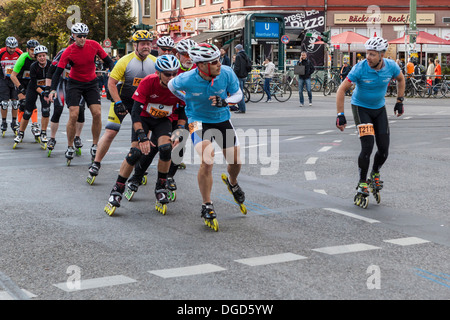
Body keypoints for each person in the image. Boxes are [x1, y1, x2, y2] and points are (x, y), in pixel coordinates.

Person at [168, 43, 246, 231]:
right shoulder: (186, 78)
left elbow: (238, 94)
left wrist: (225, 101)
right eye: (213, 62)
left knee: (235, 161)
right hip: (197, 120)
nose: (219, 64)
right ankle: (207, 204)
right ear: (201, 65)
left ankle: (233, 183)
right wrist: (185, 99)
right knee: (207, 159)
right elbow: (171, 85)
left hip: (221, 119)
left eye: (218, 59)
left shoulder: (226, 73)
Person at [104, 55, 185, 216]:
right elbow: (135, 111)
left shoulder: (179, 86)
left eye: (174, 73)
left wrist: (179, 132)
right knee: (135, 153)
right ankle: (117, 188)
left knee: (166, 149)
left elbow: (183, 112)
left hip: (163, 120)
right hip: (144, 118)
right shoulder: (148, 81)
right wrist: (141, 136)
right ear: (158, 72)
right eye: (167, 74)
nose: (171, 77)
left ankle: (161, 186)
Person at [335, 36, 405, 209]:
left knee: (383, 149)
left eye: (372, 54)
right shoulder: (359, 69)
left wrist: (399, 100)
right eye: (367, 53)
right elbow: (341, 89)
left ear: (382, 55)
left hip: (379, 108)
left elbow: (401, 79)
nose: (368, 57)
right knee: (367, 146)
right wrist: (340, 114)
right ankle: (362, 182)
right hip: (361, 108)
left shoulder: (391, 66)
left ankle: (375, 173)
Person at [123, 38, 197, 200]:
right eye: (185, 54)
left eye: (191, 54)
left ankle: (169, 177)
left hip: (187, 113)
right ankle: (137, 176)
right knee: (157, 147)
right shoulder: (170, 67)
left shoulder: (196, 69)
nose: (188, 57)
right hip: (166, 114)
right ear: (178, 55)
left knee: (180, 145)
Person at [87, 30, 156, 184]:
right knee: (111, 132)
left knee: (141, 137)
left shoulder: (154, 62)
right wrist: (118, 103)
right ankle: (96, 163)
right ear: (135, 45)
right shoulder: (125, 61)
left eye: (149, 43)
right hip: (122, 100)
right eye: (143, 44)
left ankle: (138, 167)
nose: (146, 46)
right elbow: (111, 83)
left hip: (141, 104)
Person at [49, 23, 115, 165]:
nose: (82, 39)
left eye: (85, 36)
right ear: (73, 36)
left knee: (97, 113)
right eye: (79, 36)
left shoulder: (94, 45)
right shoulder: (68, 51)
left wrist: (113, 73)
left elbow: (109, 61)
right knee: (74, 114)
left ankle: (95, 145)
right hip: (74, 84)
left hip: (91, 83)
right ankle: (70, 146)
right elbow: (57, 72)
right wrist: (53, 89)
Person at [45, 35, 86, 156]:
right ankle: (52, 138)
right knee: (58, 109)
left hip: (78, 84)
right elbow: (51, 71)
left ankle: (77, 137)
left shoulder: (85, 52)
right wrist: (48, 89)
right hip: (64, 84)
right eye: (73, 42)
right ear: (70, 42)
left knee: (80, 110)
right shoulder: (63, 52)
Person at [13, 45, 51, 148]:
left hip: (46, 88)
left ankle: (43, 133)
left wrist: (49, 91)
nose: (42, 58)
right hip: (34, 88)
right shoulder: (33, 66)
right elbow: (34, 84)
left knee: (46, 110)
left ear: (46, 56)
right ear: (36, 57)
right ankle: (21, 133)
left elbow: (53, 79)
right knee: (28, 110)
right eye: (39, 56)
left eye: (43, 56)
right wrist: (42, 93)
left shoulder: (51, 65)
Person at [10, 39, 40, 138]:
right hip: (20, 81)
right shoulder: (23, 58)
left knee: (32, 102)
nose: (33, 52)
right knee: (23, 102)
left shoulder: (39, 58)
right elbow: (12, 76)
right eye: (31, 50)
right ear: (27, 50)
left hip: (31, 82)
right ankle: (19, 124)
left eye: (35, 50)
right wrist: (20, 87)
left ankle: (35, 124)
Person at [0, 37, 22, 136]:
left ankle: (14, 121)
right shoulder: (1, 52)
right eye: (10, 48)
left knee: (15, 102)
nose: (12, 50)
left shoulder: (19, 53)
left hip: (14, 79)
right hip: (3, 79)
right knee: (4, 103)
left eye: (14, 48)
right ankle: (4, 122)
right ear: (6, 46)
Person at [233, 44, 251, 114]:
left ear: (238, 49)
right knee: (241, 92)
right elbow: (249, 66)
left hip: (239, 76)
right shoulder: (246, 55)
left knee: (239, 93)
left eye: (236, 49)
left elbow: (237, 67)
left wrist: (234, 75)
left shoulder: (238, 56)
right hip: (244, 76)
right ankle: (242, 108)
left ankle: (241, 109)